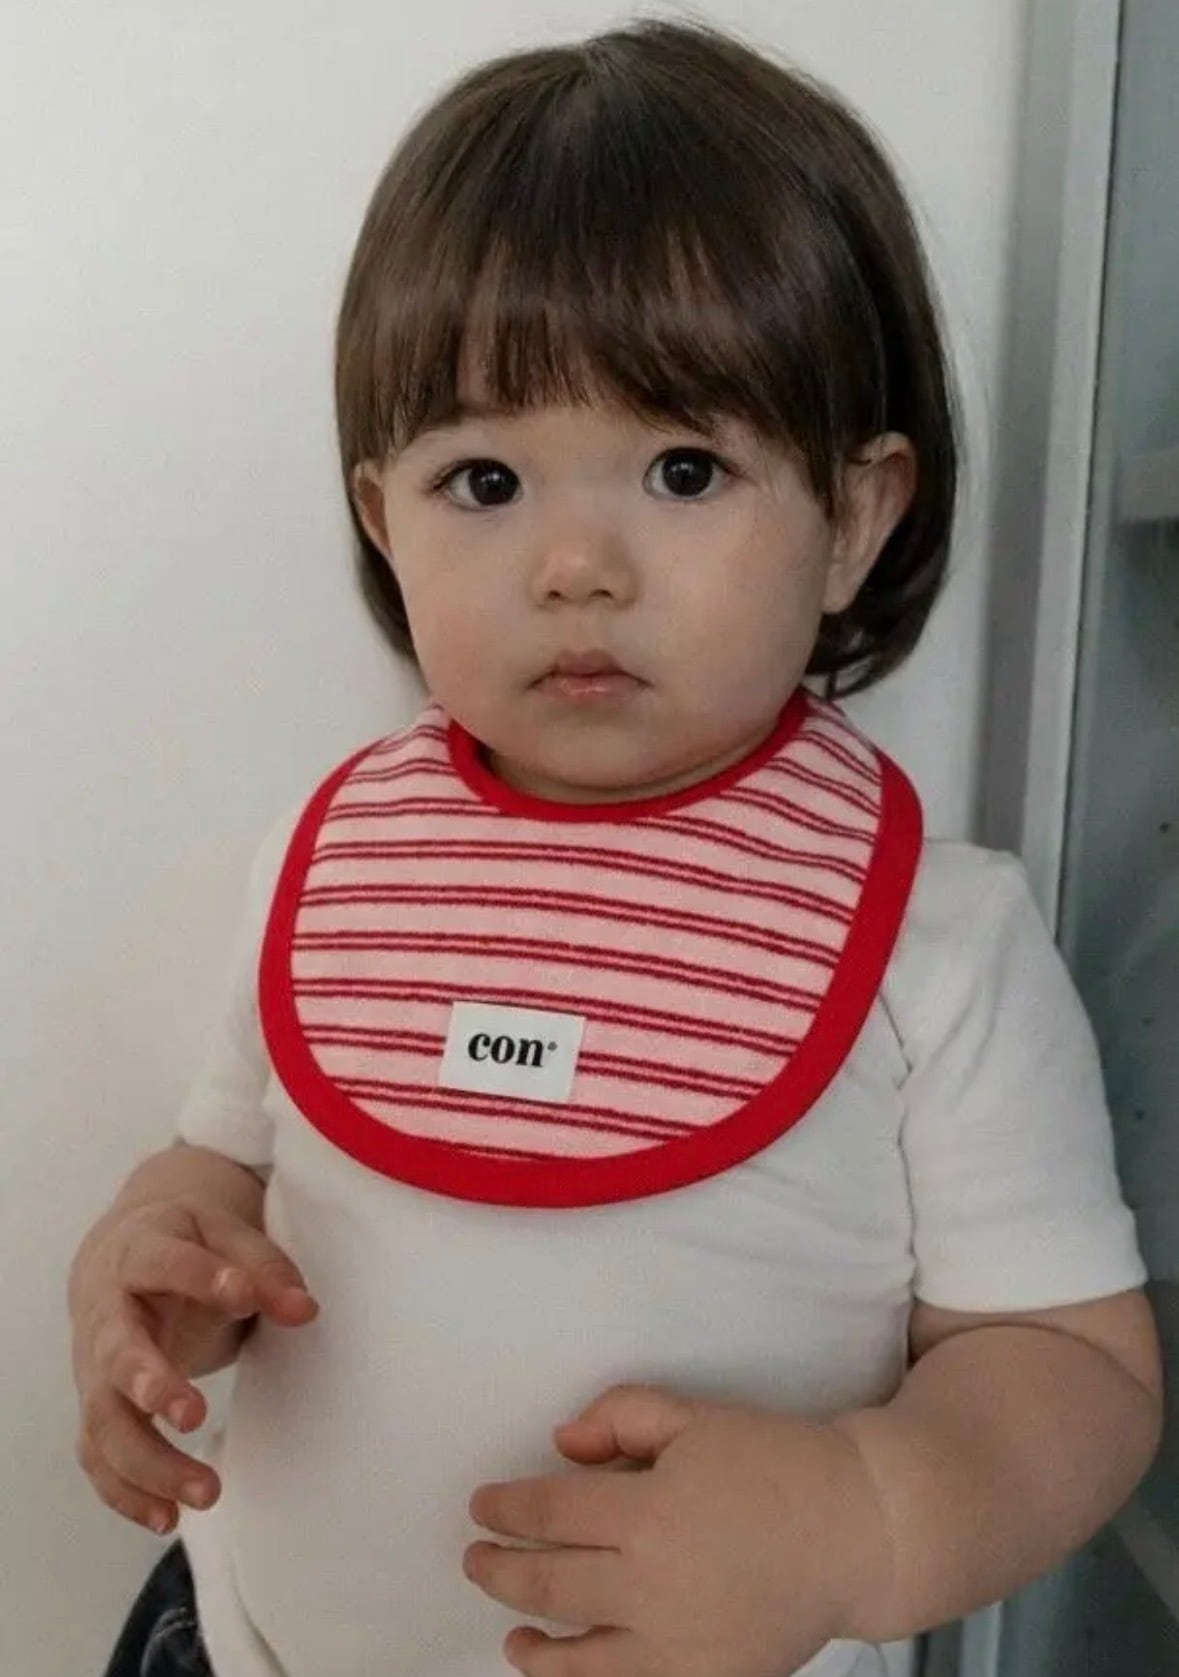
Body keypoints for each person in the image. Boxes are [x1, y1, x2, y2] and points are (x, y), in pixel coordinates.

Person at [68, 19, 1162, 1677]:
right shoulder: (340, 854)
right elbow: (220, 1164)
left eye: (683, 466)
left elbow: (1074, 1364)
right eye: (483, 479)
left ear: (856, 516)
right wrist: (153, 1261)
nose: (577, 563)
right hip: (244, 1640)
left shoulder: (933, 942)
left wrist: (862, 1516)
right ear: (382, 518)